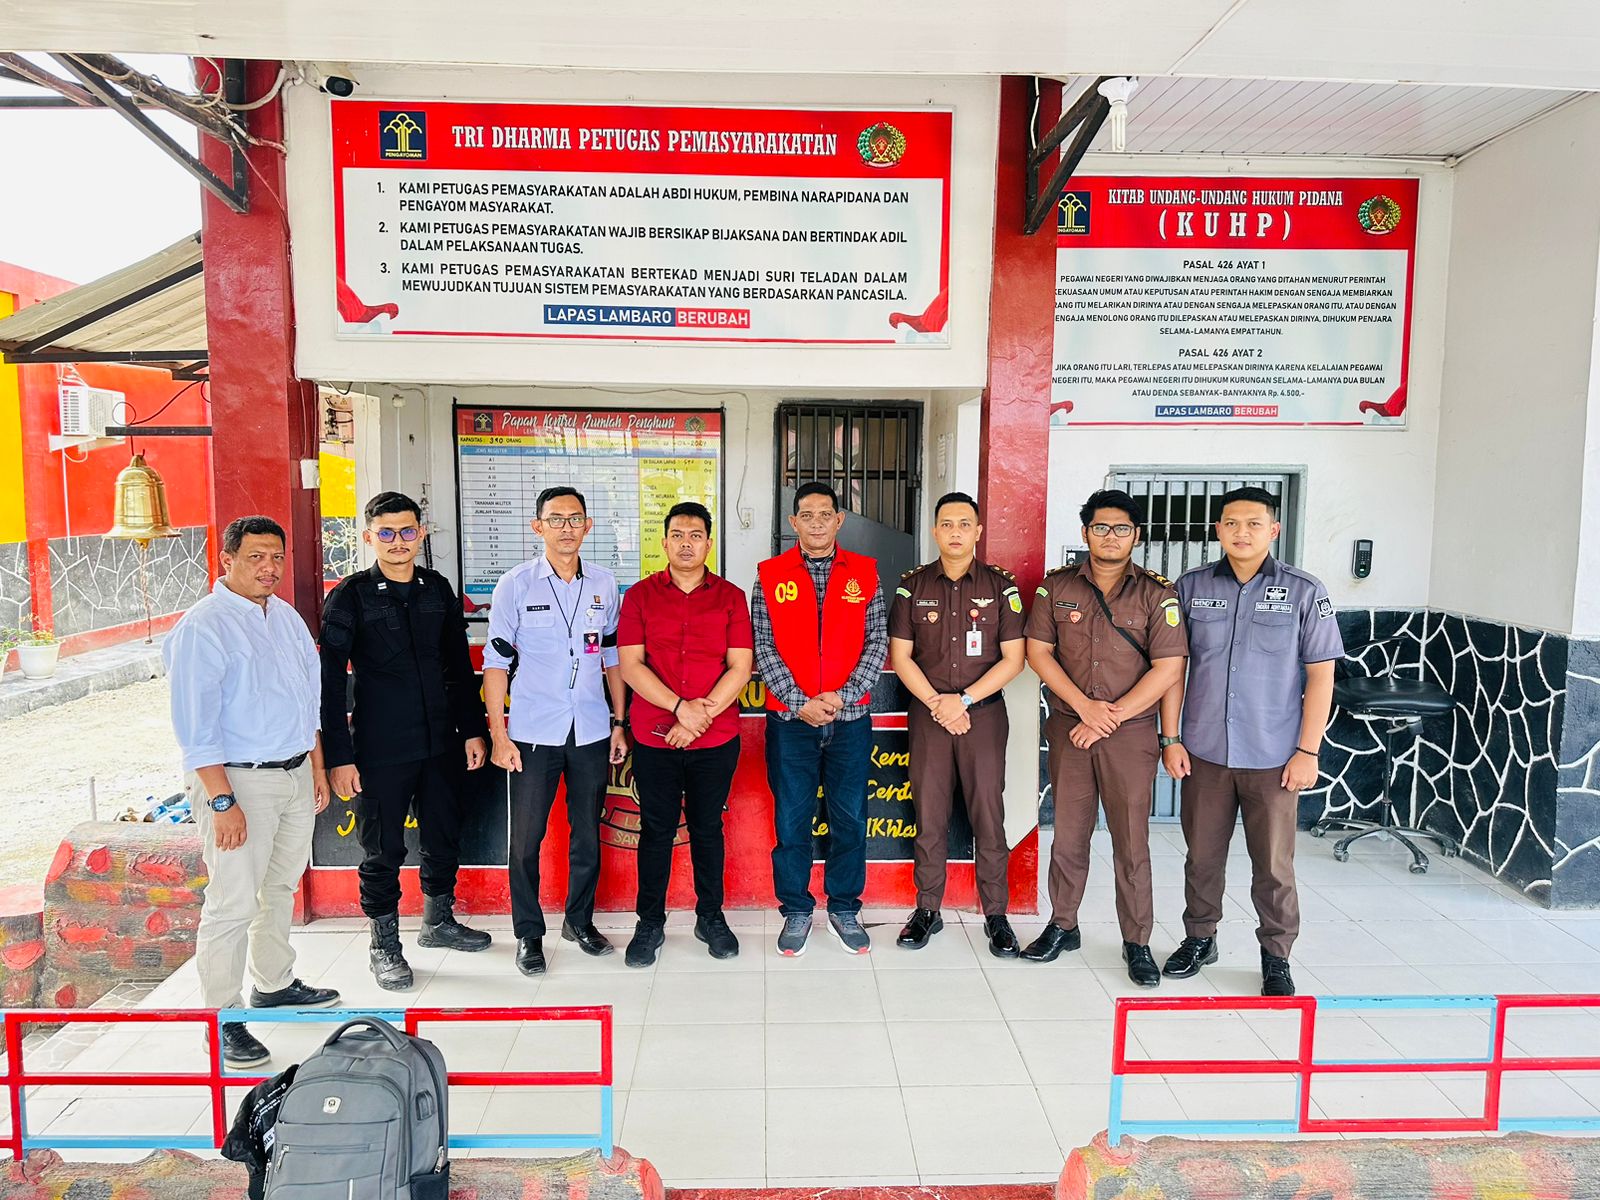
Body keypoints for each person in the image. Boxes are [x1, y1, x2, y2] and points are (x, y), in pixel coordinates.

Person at [164, 516, 339, 1068]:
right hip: (238, 780)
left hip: (293, 774)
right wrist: (222, 801)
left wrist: (315, 768)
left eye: (277, 557)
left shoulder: (284, 617)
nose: (270, 568)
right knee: (232, 902)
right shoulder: (204, 627)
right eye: (256, 557)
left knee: (279, 887)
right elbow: (195, 729)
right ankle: (222, 1020)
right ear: (227, 559)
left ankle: (274, 983)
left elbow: (307, 702)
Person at [1159, 486, 1343, 996]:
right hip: (1205, 750)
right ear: (1218, 529)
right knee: (1202, 857)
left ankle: (1276, 955)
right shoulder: (1191, 587)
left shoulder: (1305, 591)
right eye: (1232, 523)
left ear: (1274, 530)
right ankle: (1200, 938)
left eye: (1254, 523)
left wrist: (1308, 752)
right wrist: (1171, 737)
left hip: (1274, 756)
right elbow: (1173, 668)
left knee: (1274, 865)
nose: (1242, 532)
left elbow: (1321, 676)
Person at [319, 491, 492, 993]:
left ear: (421, 534)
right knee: (382, 849)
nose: (398, 542)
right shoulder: (350, 596)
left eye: (408, 531)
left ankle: (438, 921)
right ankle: (384, 945)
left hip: (441, 742)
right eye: (387, 533)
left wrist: (473, 729)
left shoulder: (436, 589)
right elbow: (329, 685)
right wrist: (339, 758)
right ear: (369, 537)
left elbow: (458, 668)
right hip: (380, 748)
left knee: (443, 834)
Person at [1021, 490, 1188, 987]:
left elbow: (1169, 668)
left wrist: (1107, 718)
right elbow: (1038, 653)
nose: (1110, 536)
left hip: (1129, 736)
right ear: (1085, 532)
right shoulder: (1055, 587)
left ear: (1136, 535)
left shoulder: (1157, 594)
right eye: (1100, 527)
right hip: (1071, 727)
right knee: (1067, 835)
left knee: (1131, 842)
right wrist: (1085, 708)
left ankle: (1137, 941)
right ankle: (1063, 925)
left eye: (1120, 529)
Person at [483, 486, 628, 976]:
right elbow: (496, 665)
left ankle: (579, 922)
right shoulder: (515, 585)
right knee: (526, 841)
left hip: (590, 729)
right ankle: (528, 934)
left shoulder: (604, 584)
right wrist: (499, 735)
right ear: (537, 526)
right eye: (556, 518)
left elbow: (611, 657)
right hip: (532, 733)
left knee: (587, 834)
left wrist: (619, 722)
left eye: (575, 518)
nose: (567, 527)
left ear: (588, 525)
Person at [889, 491, 1026, 957]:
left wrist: (963, 700)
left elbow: (1014, 659)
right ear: (934, 531)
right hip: (929, 717)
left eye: (964, 524)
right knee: (929, 815)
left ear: (978, 531)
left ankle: (996, 914)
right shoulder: (911, 587)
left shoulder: (1001, 588)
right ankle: (927, 909)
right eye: (946, 524)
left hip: (983, 717)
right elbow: (901, 656)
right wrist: (937, 703)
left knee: (988, 814)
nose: (955, 532)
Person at [753, 482, 888, 956]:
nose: (816, 522)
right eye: (806, 515)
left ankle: (844, 907)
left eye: (824, 514)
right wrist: (799, 701)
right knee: (793, 819)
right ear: (793, 522)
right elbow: (763, 645)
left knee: (849, 817)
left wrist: (842, 697)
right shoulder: (770, 574)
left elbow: (877, 641)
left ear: (839, 520)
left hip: (851, 720)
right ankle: (795, 908)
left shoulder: (865, 573)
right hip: (791, 722)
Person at [617, 501, 754, 966]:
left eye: (696, 535)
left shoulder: (731, 597)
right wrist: (679, 709)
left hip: (715, 738)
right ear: (664, 542)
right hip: (654, 736)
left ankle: (710, 917)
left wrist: (699, 717)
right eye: (677, 535)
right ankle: (649, 923)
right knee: (655, 830)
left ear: (709, 543)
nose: (686, 543)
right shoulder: (639, 596)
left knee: (707, 828)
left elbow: (740, 666)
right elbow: (631, 666)